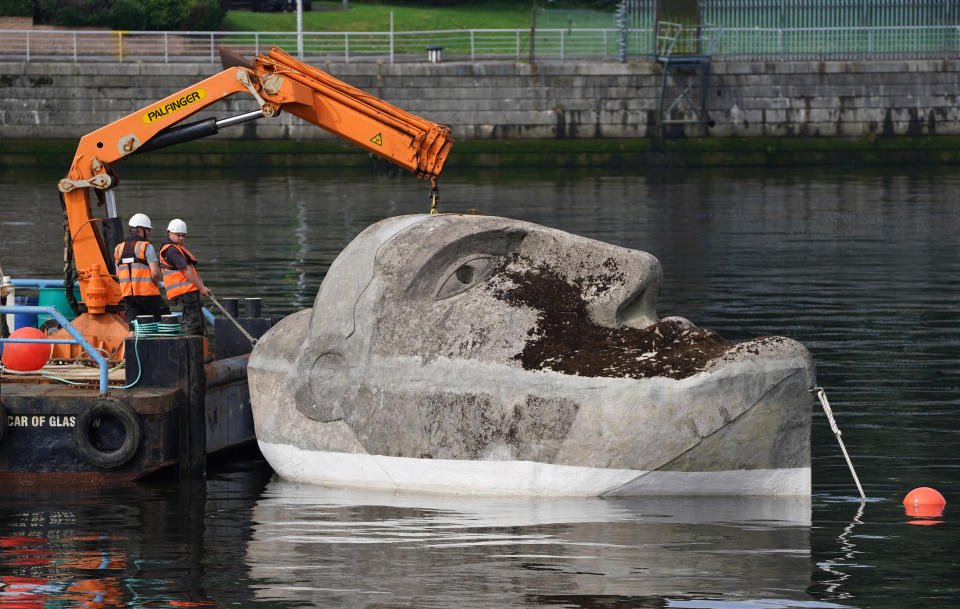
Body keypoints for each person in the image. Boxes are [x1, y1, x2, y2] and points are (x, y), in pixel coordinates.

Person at [113, 213, 168, 329]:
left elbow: (118, 274)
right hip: (148, 295)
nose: (149, 232)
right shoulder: (146, 247)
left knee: (133, 329)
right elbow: (155, 273)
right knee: (165, 322)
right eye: (148, 229)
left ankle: (134, 347)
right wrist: (157, 283)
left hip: (128, 297)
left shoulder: (118, 248)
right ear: (140, 229)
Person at [159, 218, 211, 337]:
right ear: (169, 233)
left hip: (186, 292)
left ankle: (200, 352)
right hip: (184, 293)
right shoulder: (171, 250)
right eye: (178, 235)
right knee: (194, 325)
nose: (181, 238)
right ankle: (194, 355)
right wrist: (202, 287)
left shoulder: (174, 249)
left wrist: (199, 284)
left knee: (197, 324)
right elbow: (185, 270)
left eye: (183, 235)